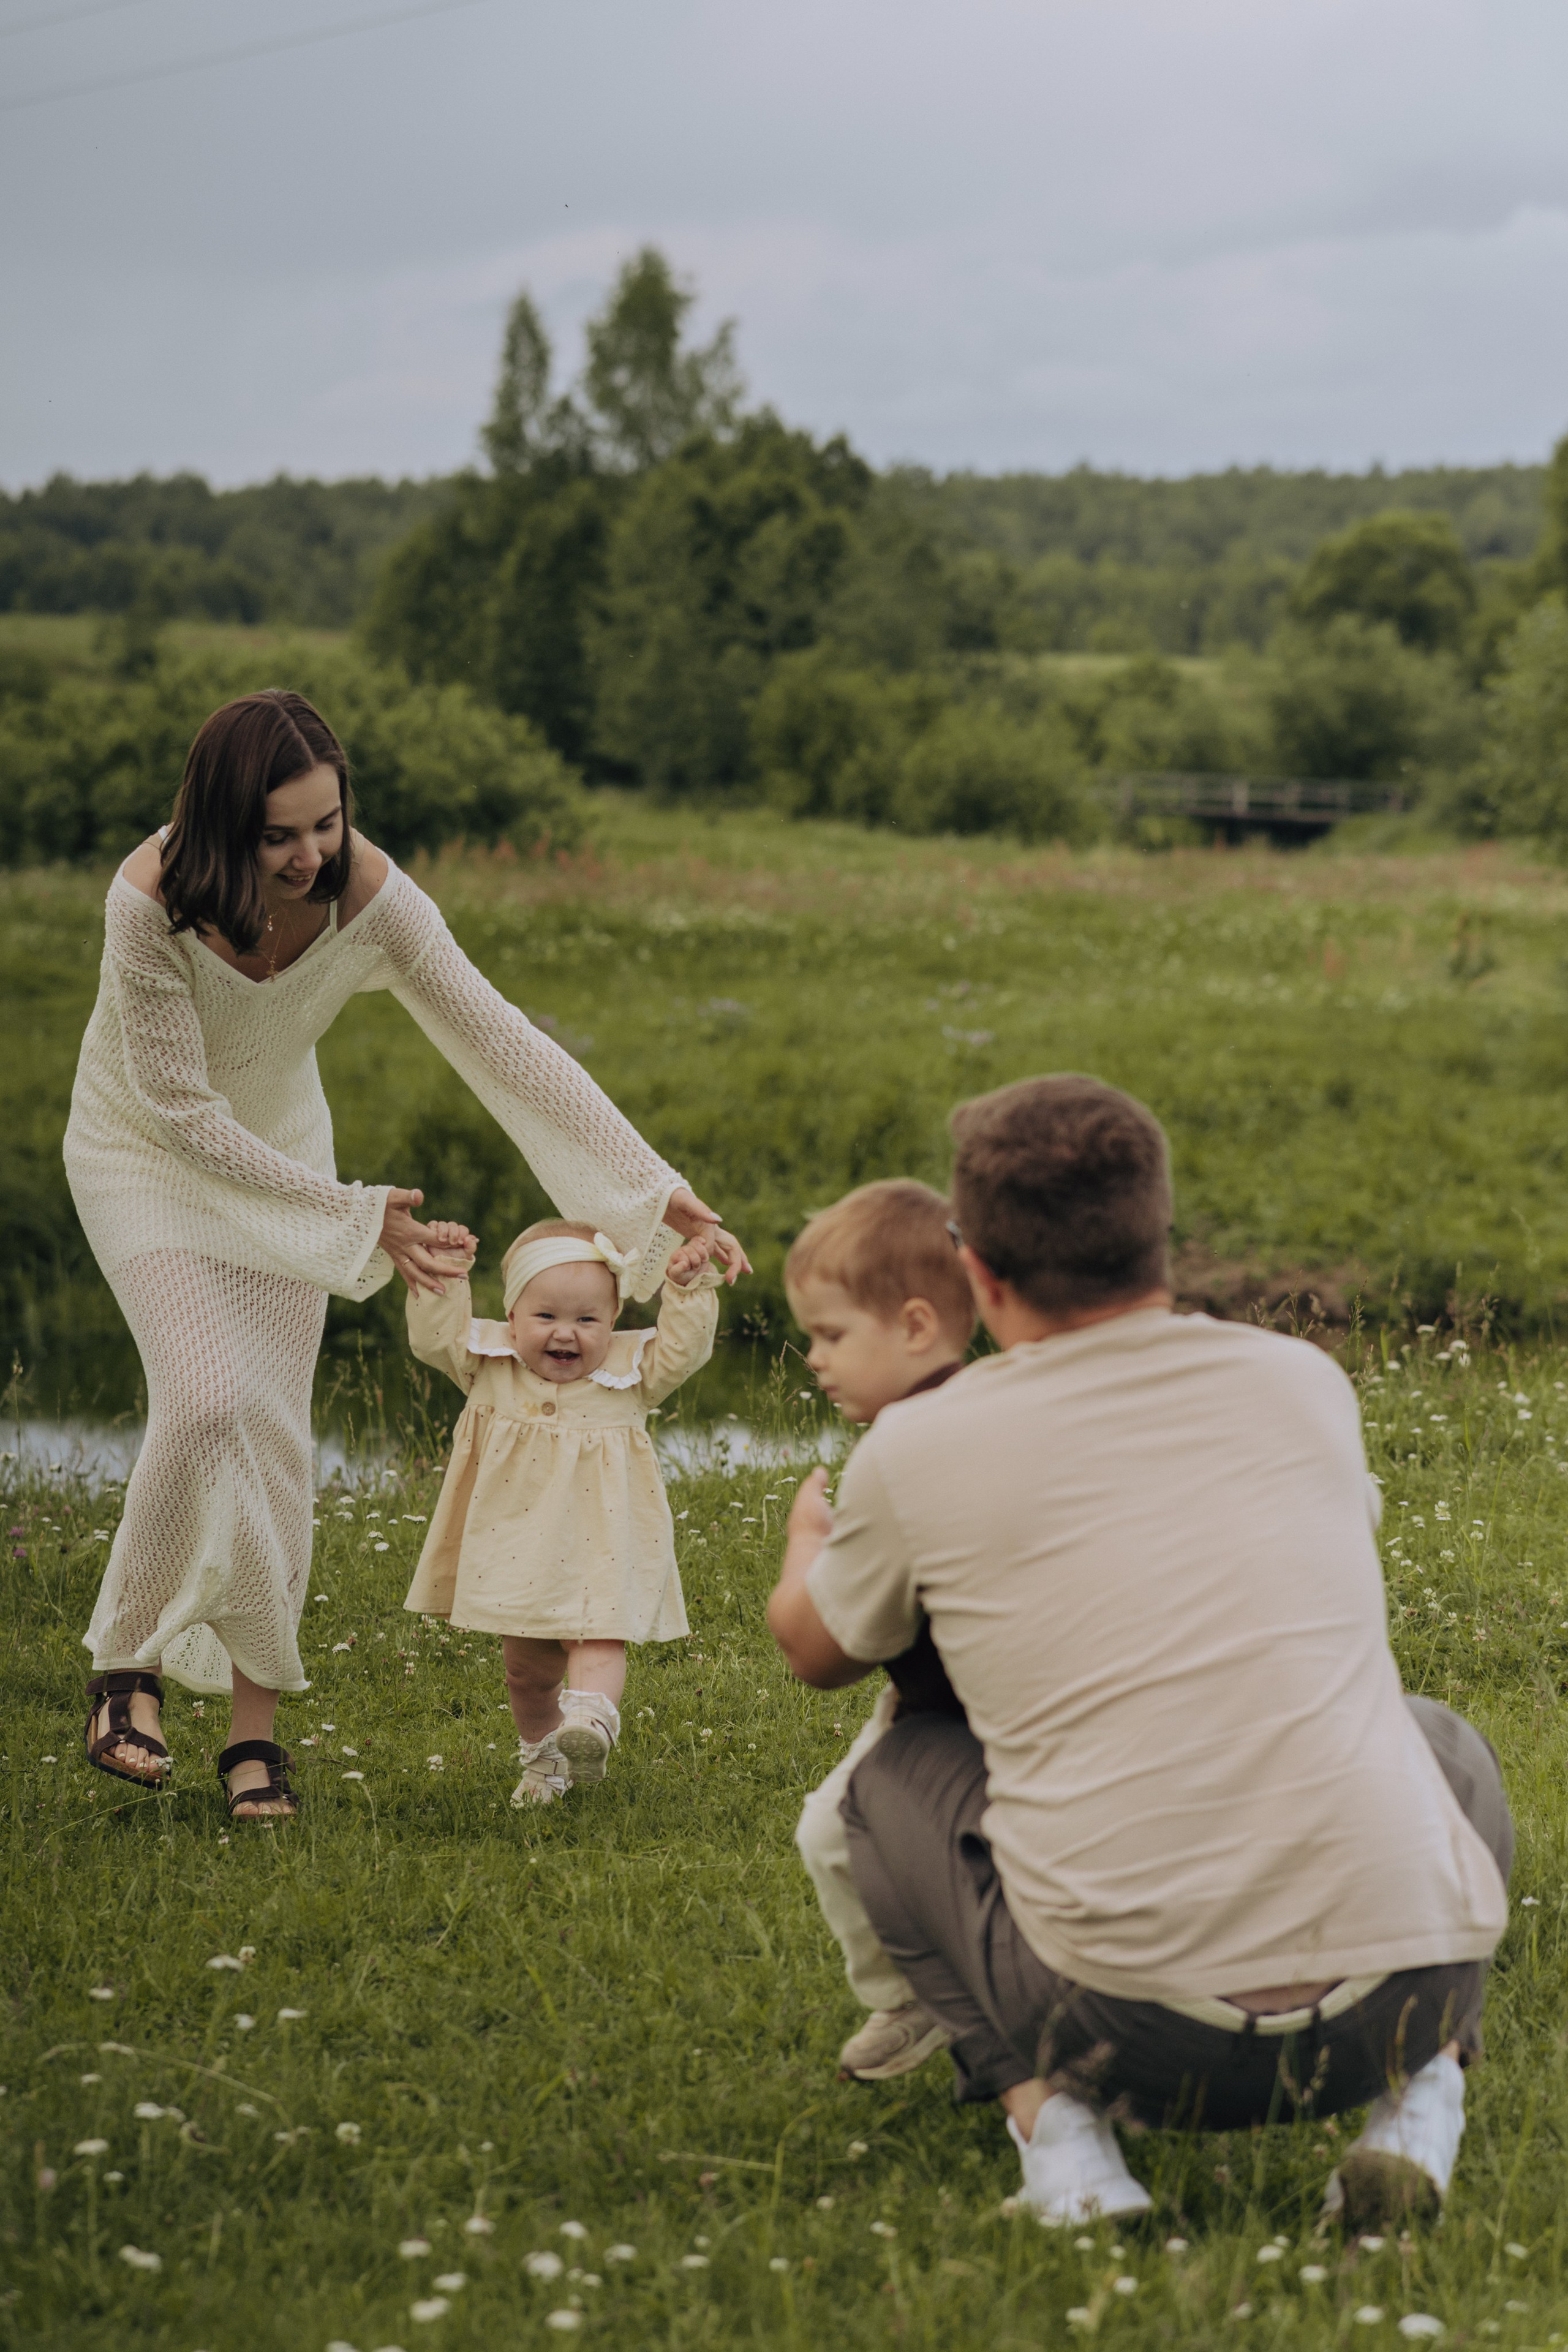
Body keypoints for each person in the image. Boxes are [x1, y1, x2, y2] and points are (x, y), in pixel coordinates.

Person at [768, 1076, 1511, 2229]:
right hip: (1403, 2000)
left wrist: (804, 1546)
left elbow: (818, 1652)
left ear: (975, 1271)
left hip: (1137, 2039)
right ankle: (1417, 2120)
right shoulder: (1303, 1382)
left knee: (888, 1783)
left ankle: (1070, 2156)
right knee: (1439, 1739)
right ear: (1157, 1233)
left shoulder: (919, 1445)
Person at [68, 688, 746, 1821]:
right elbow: (181, 1111)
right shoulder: (147, 906)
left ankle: (254, 1742)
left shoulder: (373, 898)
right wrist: (355, 1212)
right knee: (202, 1401)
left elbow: (502, 1041)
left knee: (275, 1430)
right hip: (147, 1155)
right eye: (277, 835)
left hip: (287, 1150)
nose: (308, 856)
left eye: (326, 823)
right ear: (221, 824)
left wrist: (654, 1193)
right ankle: (124, 1666)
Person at [402, 1216, 723, 1803]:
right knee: (527, 1672)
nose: (566, 1335)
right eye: (546, 1317)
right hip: (519, 1548)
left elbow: (685, 1348)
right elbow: (432, 1338)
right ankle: (544, 1759)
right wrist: (445, 1268)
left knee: (599, 1634)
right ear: (514, 1316)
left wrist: (687, 1289)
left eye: (587, 1320)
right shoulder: (488, 1362)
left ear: (615, 1321)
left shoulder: (630, 1374)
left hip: (602, 1542)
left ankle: (593, 1721)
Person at [785, 1180, 976, 2081]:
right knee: (840, 1836)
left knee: (837, 1834)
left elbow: (821, 1645)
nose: (814, 1359)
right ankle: (923, 1991)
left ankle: (933, 1995)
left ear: (913, 1325)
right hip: (946, 1691)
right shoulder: (996, 1403)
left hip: (961, 1707)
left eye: (831, 1335)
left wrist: (806, 1549)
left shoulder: (901, 1451)